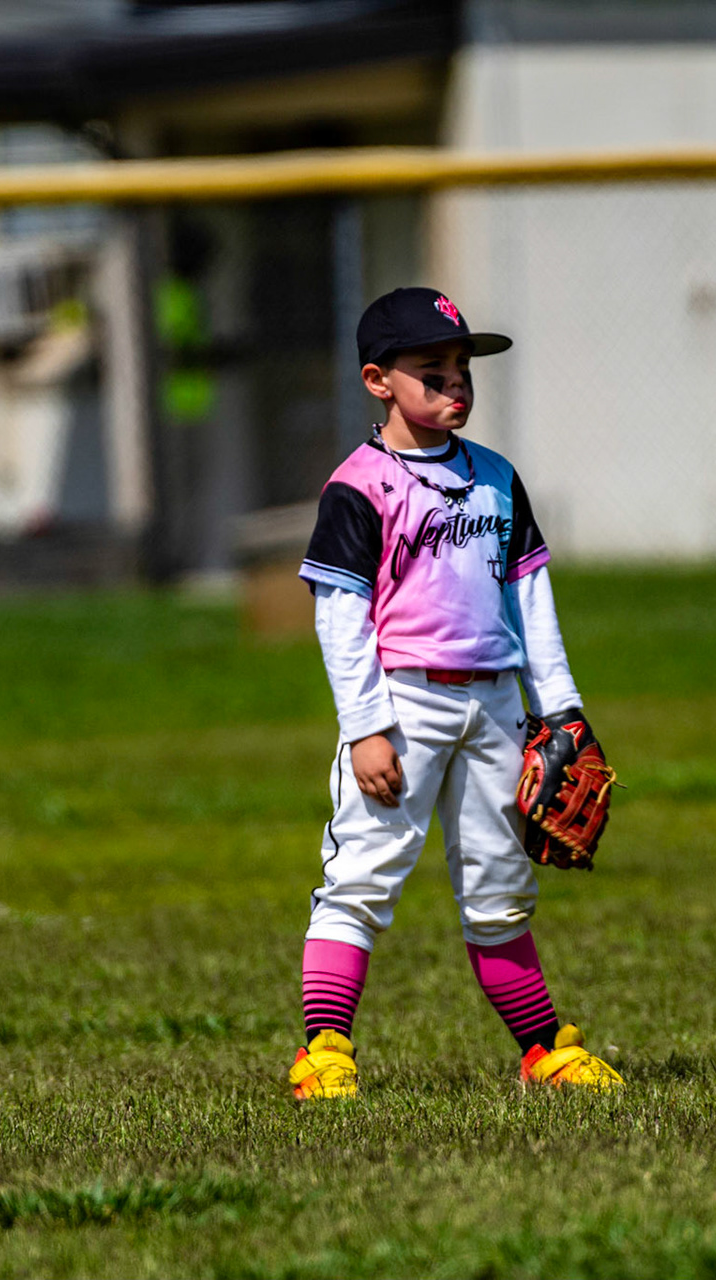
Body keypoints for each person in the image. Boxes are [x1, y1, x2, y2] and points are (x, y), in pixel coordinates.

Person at [286, 286, 623, 1100]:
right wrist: (365, 726)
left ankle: (544, 1049)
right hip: (403, 705)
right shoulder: (359, 486)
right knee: (363, 874)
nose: (454, 386)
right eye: (430, 371)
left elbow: (529, 601)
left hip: (498, 704)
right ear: (378, 380)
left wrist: (562, 711)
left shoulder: (497, 480)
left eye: (462, 369)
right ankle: (324, 1052)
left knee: (501, 882)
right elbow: (340, 615)